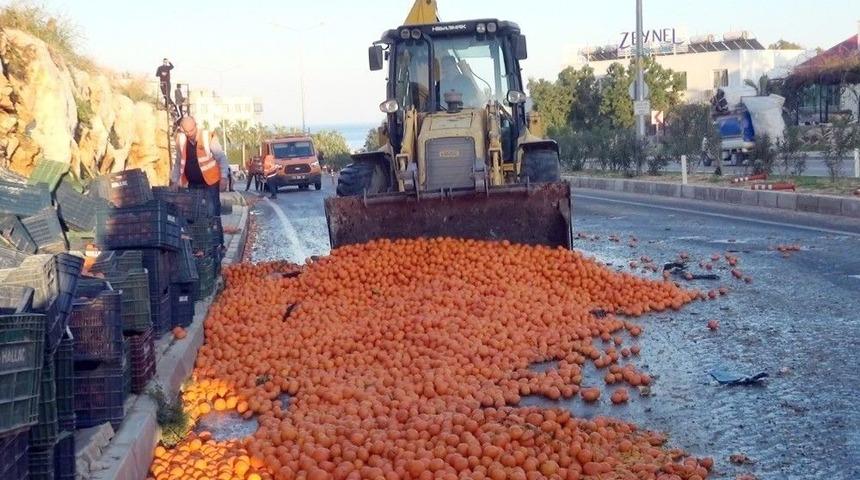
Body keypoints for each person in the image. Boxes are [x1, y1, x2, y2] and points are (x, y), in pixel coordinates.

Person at [171, 116, 228, 246]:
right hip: (192, 184)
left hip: (211, 182)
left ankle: (217, 243)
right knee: (195, 214)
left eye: (191, 130)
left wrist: (224, 177)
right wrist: (175, 180)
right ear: (182, 130)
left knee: (212, 213)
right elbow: (178, 162)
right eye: (186, 131)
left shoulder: (207, 137)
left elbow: (221, 158)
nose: (189, 134)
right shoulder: (181, 140)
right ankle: (200, 244)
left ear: (196, 125)